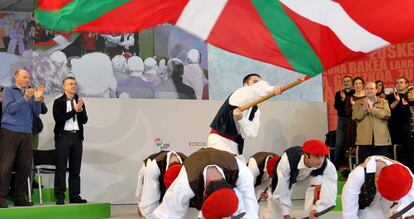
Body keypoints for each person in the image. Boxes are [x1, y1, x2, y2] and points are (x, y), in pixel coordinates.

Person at [152, 147, 258, 219]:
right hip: (195, 173)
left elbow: (251, 207)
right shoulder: (185, 183)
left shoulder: (243, 173)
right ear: (203, 194)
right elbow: (163, 215)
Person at [208, 74, 283, 161]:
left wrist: (241, 119)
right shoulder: (239, 94)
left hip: (236, 145)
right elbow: (254, 90)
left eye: (259, 83)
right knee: (228, 169)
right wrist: (272, 90)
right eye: (255, 82)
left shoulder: (255, 110)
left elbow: (251, 133)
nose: (258, 84)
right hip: (219, 140)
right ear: (245, 85)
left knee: (244, 173)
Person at [0, 69, 44, 208]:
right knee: (6, 166)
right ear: (16, 78)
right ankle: (1, 198)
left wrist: (37, 100)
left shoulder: (30, 92)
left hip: (27, 133)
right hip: (9, 132)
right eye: (25, 77)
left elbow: (36, 114)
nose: (27, 79)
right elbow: (9, 110)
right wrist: (24, 98)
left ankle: (19, 197)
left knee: (25, 166)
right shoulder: (9, 90)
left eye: (29, 77)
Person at [270, 139, 337, 219]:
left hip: (308, 177)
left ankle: (311, 214)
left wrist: (317, 209)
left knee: (318, 181)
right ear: (306, 155)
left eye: (322, 156)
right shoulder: (287, 161)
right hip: (287, 178)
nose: (320, 160)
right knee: (277, 202)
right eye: (317, 156)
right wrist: (286, 214)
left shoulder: (328, 166)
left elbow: (330, 188)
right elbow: (281, 189)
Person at [53, 76, 88, 205]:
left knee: (75, 168)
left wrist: (80, 110)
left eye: (75, 84)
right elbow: (59, 118)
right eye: (70, 84)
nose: (73, 86)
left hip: (77, 137)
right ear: (64, 87)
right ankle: (60, 196)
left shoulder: (79, 101)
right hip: (63, 137)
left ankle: (74, 195)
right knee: (61, 167)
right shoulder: (58, 102)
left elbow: (84, 120)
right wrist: (74, 110)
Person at [342, 156, 414, 218]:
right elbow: (349, 212)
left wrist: (400, 213)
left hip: (388, 204)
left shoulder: (403, 172)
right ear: (377, 180)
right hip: (363, 204)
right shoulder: (358, 175)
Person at [136, 150, 187, 218]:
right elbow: (149, 206)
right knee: (144, 197)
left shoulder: (189, 167)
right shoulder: (152, 168)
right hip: (150, 167)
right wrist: (140, 203)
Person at [352, 82, 391, 164]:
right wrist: (364, 109)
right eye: (367, 88)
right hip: (364, 141)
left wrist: (372, 109)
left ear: (376, 90)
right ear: (364, 90)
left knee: (383, 167)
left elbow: (387, 115)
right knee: (365, 167)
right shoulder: (358, 103)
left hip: (381, 140)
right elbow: (355, 117)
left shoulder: (384, 102)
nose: (369, 90)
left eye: (371, 88)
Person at [333, 75, 354, 169]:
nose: (346, 83)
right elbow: (337, 107)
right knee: (338, 143)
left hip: (353, 121)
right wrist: (343, 99)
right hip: (342, 120)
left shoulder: (355, 93)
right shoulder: (339, 93)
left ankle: (352, 166)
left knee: (352, 143)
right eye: (344, 81)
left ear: (352, 83)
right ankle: (335, 167)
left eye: (348, 81)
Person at [344, 77, 365, 156]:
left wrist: (355, 105)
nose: (358, 85)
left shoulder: (367, 96)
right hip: (353, 124)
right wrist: (353, 106)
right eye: (356, 83)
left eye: (360, 83)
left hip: (364, 124)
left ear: (363, 85)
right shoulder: (350, 97)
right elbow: (347, 112)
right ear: (353, 85)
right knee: (354, 150)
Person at [387, 77, 410, 146]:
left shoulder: (410, 95)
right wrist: (397, 101)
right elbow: (387, 109)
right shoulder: (390, 96)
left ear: (406, 84)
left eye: (401, 82)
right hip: (393, 126)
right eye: (397, 83)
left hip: (407, 127)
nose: (399, 84)